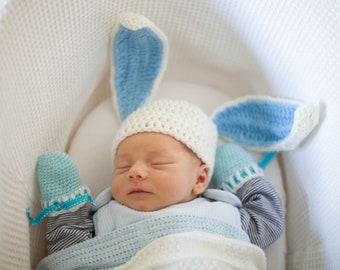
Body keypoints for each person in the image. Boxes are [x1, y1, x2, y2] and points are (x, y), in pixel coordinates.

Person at [27, 99, 284, 264]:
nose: (135, 172)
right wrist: (68, 208)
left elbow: (268, 219)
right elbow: (72, 252)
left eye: (157, 163)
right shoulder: (107, 217)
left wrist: (241, 179)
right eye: (123, 166)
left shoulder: (223, 214)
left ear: (201, 178)